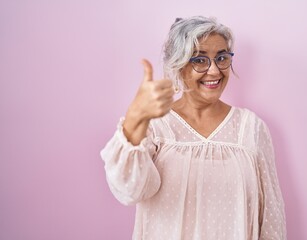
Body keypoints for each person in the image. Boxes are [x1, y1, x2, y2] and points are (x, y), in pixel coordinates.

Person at [100, 16, 286, 240]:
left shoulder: (251, 128)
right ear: (177, 65)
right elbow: (130, 191)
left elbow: (271, 217)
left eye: (221, 57)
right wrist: (135, 117)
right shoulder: (156, 126)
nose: (215, 71)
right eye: (199, 60)